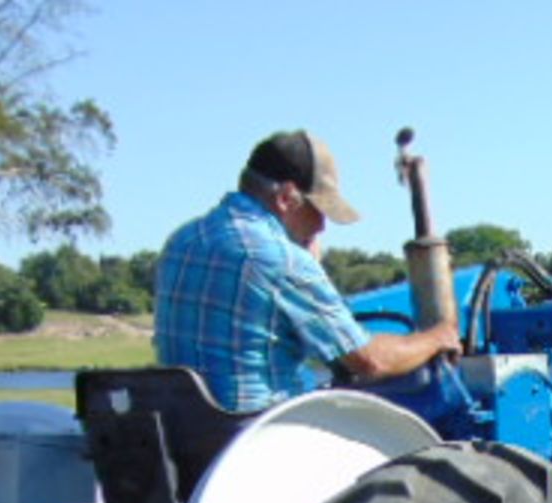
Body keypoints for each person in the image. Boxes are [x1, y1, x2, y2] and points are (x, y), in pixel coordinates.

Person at [154, 130, 461, 413]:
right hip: (259, 433)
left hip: (184, 430)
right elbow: (370, 361)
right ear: (287, 197)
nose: (322, 225)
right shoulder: (280, 259)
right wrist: (438, 337)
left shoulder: (183, 240)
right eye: (318, 211)